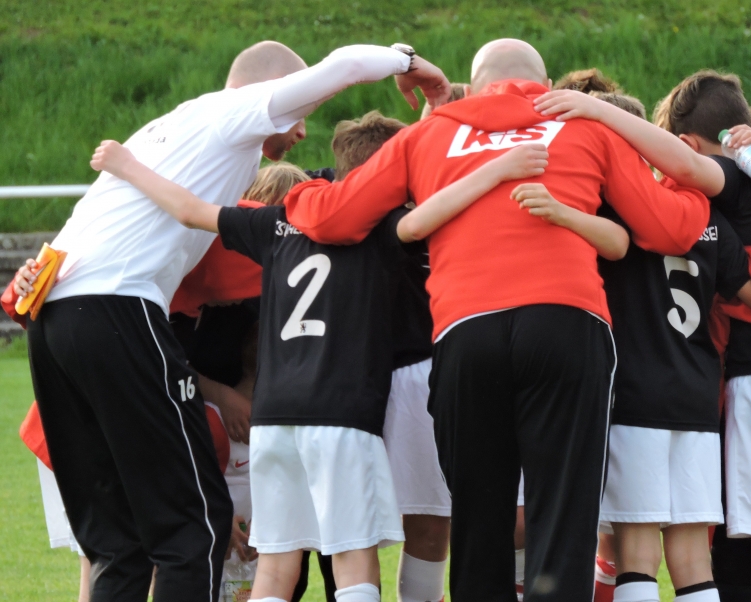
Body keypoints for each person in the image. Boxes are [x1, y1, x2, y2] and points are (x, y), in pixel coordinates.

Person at [5, 41, 450, 602]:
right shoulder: (235, 114)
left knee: (119, 544)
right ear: (270, 92)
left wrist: (24, 283)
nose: (302, 132)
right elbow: (342, 69)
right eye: (302, 115)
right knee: (193, 526)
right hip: (119, 313)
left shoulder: (166, 133)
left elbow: (156, 216)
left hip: (55, 313)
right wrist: (409, 63)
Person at [280, 38, 712, 602]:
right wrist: (691, 189)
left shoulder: (429, 134)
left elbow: (335, 217)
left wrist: (299, 192)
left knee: (479, 520)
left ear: (471, 84)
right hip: (567, 323)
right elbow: (669, 229)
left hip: (466, 330)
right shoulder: (583, 126)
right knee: (561, 516)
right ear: (546, 81)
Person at [89, 125, 549, 602]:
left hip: (273, 418)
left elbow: (188, 209)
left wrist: (127, 165)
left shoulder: (276, 222)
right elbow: (423, 219)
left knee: (275, 568)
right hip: (341, 416)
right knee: (354, 559)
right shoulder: (374, 229)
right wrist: (500, 167)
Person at [536, 89, 751, 602]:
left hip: (635, 397)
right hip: (696, 395)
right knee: (692, 557)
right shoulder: (705, 213)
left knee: (637, 554)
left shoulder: (608, 209)